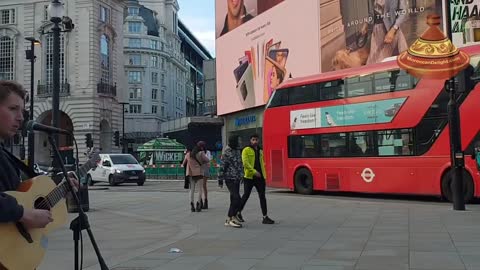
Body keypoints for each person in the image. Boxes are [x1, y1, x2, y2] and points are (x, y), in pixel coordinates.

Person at [0, 80, 78, 229]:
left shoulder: (4, 154)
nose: (21, 117)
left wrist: (60, 192)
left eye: (22, 111)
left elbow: (20, 197)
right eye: (13, 108)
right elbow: (20, 209)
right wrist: (23, 214)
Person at [238, 134, 274, 224]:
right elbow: (245, 163)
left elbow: (263, 162)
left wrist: (263, 172)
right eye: (253, 139)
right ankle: (238, 212)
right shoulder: (246, 150)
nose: (255, 141)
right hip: (249, 177)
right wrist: (254, 172)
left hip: (260, 178)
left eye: (256, 140)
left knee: (262, 197)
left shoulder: (260, 150)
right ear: (250, 140)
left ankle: (265, 217)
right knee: (246, 195)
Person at [363, 0, 408, 64]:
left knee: (398, 60)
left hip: (392, 29)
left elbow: (403, 13)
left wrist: (393, 30)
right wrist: (366, 24)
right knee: (376, 62)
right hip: (378, 32)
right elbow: (372, 12)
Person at [218, 135, 243, 228]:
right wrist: (220, 179)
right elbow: (222, 166)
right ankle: (229, 218)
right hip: (229, 178)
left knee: (234, 198)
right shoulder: (227, 152)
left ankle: (233, 216)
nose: (240, 142)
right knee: (237, 198)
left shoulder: (237, 150)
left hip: (236, 178)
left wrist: (241, 175)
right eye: (238, 140)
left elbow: (240, 163)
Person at [187, 142, 209, 212]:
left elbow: (184, 162)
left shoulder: (188, 154)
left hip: (191, 173)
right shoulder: (201, 153)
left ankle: (192, 205)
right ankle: (198, 204)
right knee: (200, 189)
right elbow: (207, 160)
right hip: (199, 173)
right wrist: (201, 162)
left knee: (192, 189)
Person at [201, 143, 211, 209]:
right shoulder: (203, 152)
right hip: (202, 169)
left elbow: (208, 161)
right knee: (202, 186)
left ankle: (204, 201)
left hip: (204, 169)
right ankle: (203, 201)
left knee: (203, 186)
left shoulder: (207, 152)